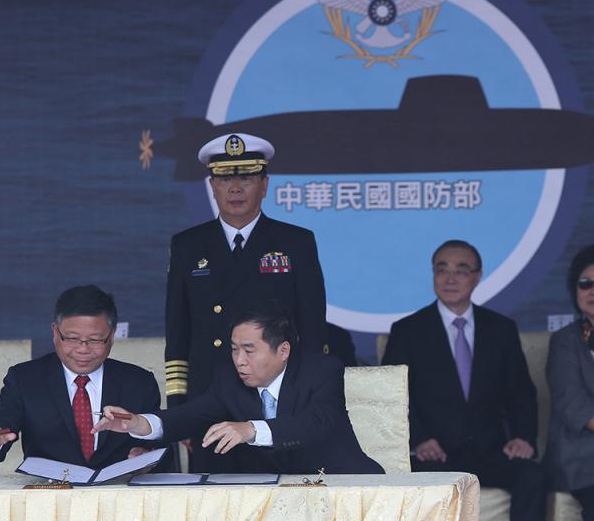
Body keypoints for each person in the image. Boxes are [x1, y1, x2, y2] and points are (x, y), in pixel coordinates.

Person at [165, 133, 347, 470]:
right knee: (217, 494)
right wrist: (180, 409)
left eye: (246, 178)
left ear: (264, 185)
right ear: (212, 186)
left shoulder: (295, 242)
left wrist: (305, 399)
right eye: (225, 179)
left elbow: (312, 329)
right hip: (210, 402)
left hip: (280, 401)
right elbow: (178, 332)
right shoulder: (187, 245)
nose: (235, 189)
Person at [95, 299, 383, 475]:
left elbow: (315, 423)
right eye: (234, 349)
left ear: (283, 350)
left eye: (249, 350)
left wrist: (251, 429)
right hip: (275, 498)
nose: (239, 360)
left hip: (343, 487)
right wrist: (140, 423)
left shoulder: (321, 370)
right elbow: (189, 416)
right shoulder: (228, 378)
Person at [382, 239, 545, 521]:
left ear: (477, 276)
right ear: (433, 274)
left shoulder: (501, 329)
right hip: (434, 455)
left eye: (461, 270)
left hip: (490, 453)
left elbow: (520, 391)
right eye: (442, 269)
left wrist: (523, 437)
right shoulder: (408, 331)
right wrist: (419, 440)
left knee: (533, 476)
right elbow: (393, 396)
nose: (450, 278)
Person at [0, 285, 162, 468]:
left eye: (95, 340)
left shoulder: (140, 382)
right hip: (48, 488)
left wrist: (146, 455)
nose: (83, 349)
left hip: (118, 488)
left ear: (111, 336)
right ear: (55, 332)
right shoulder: (25, 379)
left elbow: (160, 441)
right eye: (72, 338)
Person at [546, 244, 594, 520]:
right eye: (585, 284)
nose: (593, 291)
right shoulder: (565, 341)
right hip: (581, 456)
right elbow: (575, 407)